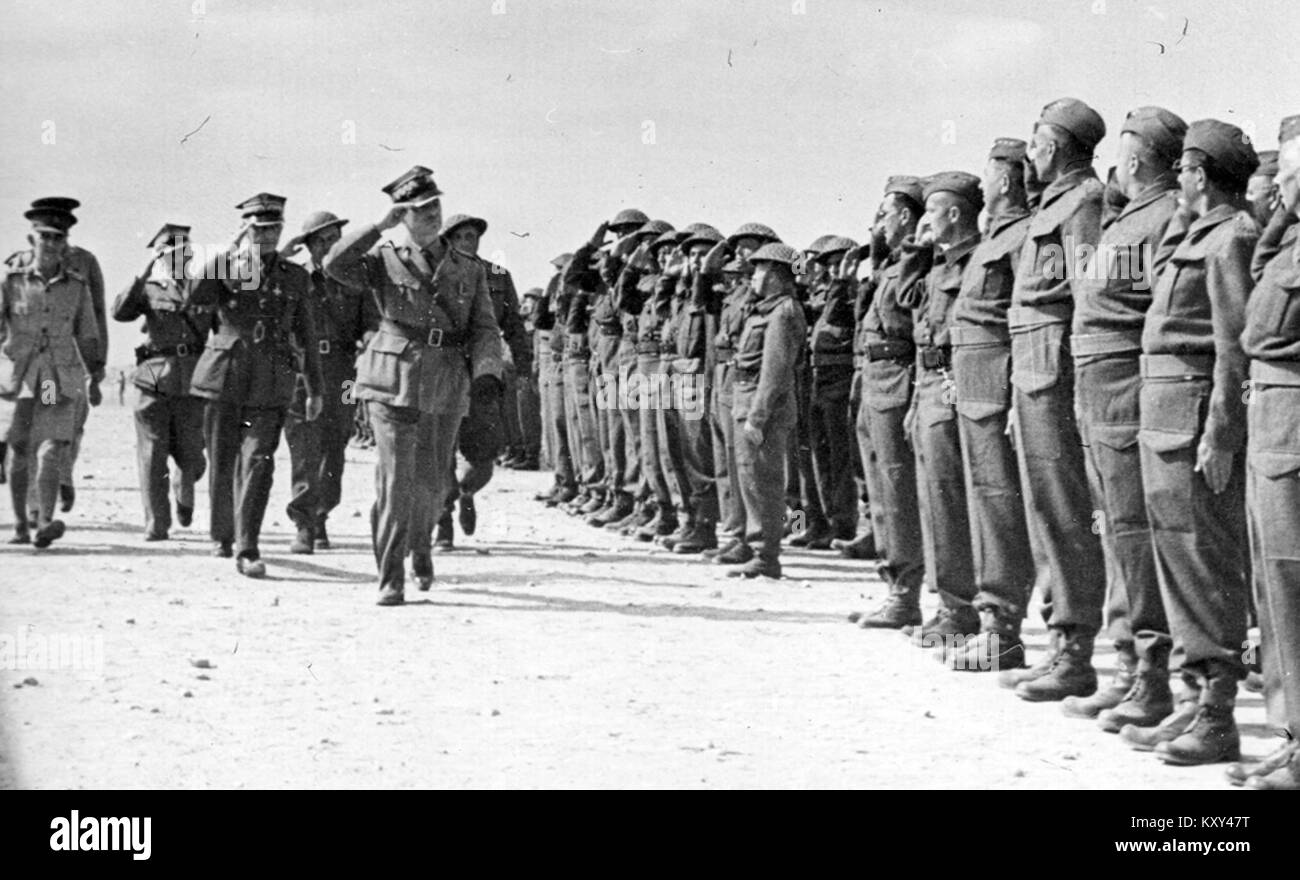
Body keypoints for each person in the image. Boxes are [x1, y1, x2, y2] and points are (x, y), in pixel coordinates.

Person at [1124, 120, 1258, 766]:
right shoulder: (1197, 233)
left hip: (1194, 417)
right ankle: (1192, 696)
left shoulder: (1232, 237)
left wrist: (1222, 434)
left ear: (1200, 175)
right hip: (1164, 416)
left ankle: (1217, 712)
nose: (1175, 180)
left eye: (1181, 170)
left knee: (1206, 565)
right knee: (1177, 563)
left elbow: (1234, 347)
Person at [323, 166, 502, 605]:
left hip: (445, 381)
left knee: (434, 484)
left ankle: (421, 545)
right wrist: (376, 227)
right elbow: (333, 264)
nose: (431, 214)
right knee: (396, 482)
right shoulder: (382, 258)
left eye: (435, 205)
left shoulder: (468, 268)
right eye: (420, 209)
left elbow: (484, 327)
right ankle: (391, 574)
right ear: (402, 215)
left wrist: (487, 373)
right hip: (391, 380)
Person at [1069, 107, 1187, 724]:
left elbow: (1162, 315)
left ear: (1135, 159)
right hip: (1099, 389)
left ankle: (1150, 674)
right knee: (1116, 530)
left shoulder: (1164, 216)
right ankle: (1128, 663)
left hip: (1126, 388)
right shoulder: (1128, 217)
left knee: (1135, 534)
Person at [1001, 98, 1108, 702]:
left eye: (1037, 142)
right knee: (1046, 511)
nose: (1030, 153)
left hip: (1057, 375)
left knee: (1067, 515)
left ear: (1059, 147)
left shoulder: (1084, 203)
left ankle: (1075, 650)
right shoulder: (1054, 204)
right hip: (1032, 371)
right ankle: (1060, 642)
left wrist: (1080, 389)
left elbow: (1089, 298)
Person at [190, 193, 324, 578]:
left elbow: (307, 335)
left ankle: (247, 546)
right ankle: (222, 534)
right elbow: (194, 296)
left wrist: (315, 388)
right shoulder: (229, 267)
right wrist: (230, 250)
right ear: (246, 230)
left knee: (259, 460)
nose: (267, 236)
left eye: (274, 228)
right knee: (223, 459)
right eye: (259, 229)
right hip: (225, 376)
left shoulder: (294, 276)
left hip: (271, 379)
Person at [944, 139, 1036, 671]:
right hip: (974, 389)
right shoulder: (992, 240)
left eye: (987, 178)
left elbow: (1024, 319)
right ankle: (989, 621)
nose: (981, 188)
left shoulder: (1023, 236)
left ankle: (1003, 629)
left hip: (998, 390)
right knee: (985, 504)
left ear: (1005, 181)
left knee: (1001, 507)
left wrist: (1015, 392)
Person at [1233, 113, 1300, 789]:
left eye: (1290, 175)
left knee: (1294, 584)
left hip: (1294, 425)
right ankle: (1291, 736)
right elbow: (1260, 286)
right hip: (1275, 425)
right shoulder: (1288, 239)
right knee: (1276, 587)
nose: (1279, 185)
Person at [895, 171, 985, 651]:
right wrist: (915, 249)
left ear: (953, 214)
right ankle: (950, 605)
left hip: (957, 384)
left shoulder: (976, 261)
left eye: (930, 212)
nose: (924, 220)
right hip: (930, 383)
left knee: (951, 499)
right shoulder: (937, 264)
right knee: (936, 498)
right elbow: (907, 299)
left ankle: (960, 609)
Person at [847, 177, 927, 628]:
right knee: (880, 493)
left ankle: (905, 594)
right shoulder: (890, 266)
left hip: (899, 381)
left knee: (898, 495)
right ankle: (894, 588)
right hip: (875, 382)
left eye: (884, 215)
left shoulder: (918, 263)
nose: (876, 224)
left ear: (906, 216)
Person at [0, 204, 102, 547]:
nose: (51, 244)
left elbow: (87, 334)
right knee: (19, 448)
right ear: (32, 239)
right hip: (19, 379)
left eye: (58, 238)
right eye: (45, 237)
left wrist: (96, 372)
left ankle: (44, 519)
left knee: (50, 446)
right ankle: (20, 523)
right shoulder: (11, 281)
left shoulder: (76, 286)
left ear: (65, 243)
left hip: (51, 381)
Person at [279, 211, 377, 553]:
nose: (329, 245)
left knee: (338, 441)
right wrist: (279, 257)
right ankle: (305, 523)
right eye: (321, 240)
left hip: (344, 373)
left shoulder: (356, 280)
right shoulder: (292, 278)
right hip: (301, 372)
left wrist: (369, 343)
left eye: (335, 238)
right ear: (307, 245)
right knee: (304, 445)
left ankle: (322, 513)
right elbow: (249, 286)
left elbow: (371, 322)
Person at [434, 213, 528, 549]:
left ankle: (466, 492)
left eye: (472, 236)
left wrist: (524, 366)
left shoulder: (497, 275)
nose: (467, 243)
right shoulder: (436, 272)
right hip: (445, 369)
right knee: (442, 450)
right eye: (460, 237)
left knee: (485, 457)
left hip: (483, 374)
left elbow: (513, 324)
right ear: (448, 242)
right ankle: (443, 522)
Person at [112, 223, 210, 541]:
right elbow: (120, 312)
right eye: (169, 251)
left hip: (193, 376)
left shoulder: (204, 287)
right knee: (153, 454)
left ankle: (184, 483)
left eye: (183, 250)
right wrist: (144, 272)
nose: (177, 256)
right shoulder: (149, 289)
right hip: (154, 374)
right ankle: (157, 522)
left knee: (193, 454)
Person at [729, 242, 807, 579]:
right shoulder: (764, 310)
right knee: (750, 478)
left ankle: (766, 554)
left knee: (764, 481)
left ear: (775, 274)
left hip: (764, 409)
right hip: (746, 400)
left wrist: (757, 417)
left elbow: (775, 371)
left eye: (759, 269)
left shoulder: (783, 312)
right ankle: (756, 546)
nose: (753, 276)